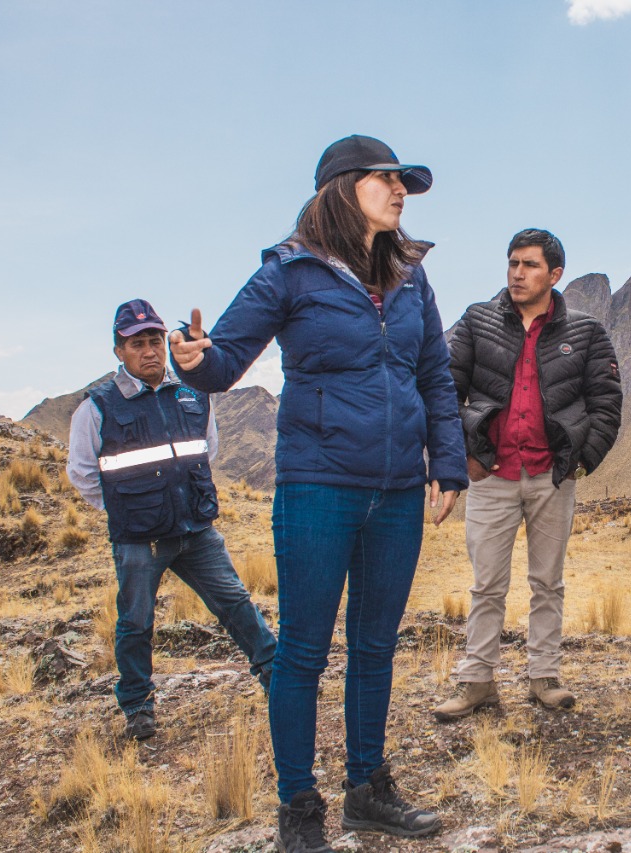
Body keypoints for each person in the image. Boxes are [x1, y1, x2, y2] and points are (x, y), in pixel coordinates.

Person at [168, 135, 468, 853]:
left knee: (375, 644)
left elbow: (434, 372)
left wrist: (448, 462)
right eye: (387, 181)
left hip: (397, 491)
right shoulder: (289, 272)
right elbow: (225, 360)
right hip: (318, 486)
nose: (401, 193)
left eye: (405, 185)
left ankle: (368, 791)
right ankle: (299, 808)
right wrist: (194, 361)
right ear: (342, 188)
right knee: (303, 649)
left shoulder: (410, 276)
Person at [67, 299, 277, 742]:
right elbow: (83, 474)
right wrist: (129, 509)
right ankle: (139, 709)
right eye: (137, 343)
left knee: (235, 603)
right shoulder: (97, 407)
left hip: (196, 532)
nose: (149, 350)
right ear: (119, 351)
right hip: (138, 541)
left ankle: (278, 677)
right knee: (136, 623)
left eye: (155, 340)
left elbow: (207, 450)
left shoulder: (192, 395)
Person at [433, 229, 622, 721]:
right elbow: (445, 390)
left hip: (550, 477)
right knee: (487, 584)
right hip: (492, 475)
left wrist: (579, 461)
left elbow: (607, 404)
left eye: (530, 265)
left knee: (547, 583)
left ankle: (544, 678)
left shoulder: (586, 333)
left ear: (554, 275)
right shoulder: (478, 321)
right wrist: (466, 453)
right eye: (513, 263)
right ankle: (476, 682)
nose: (518, 273)